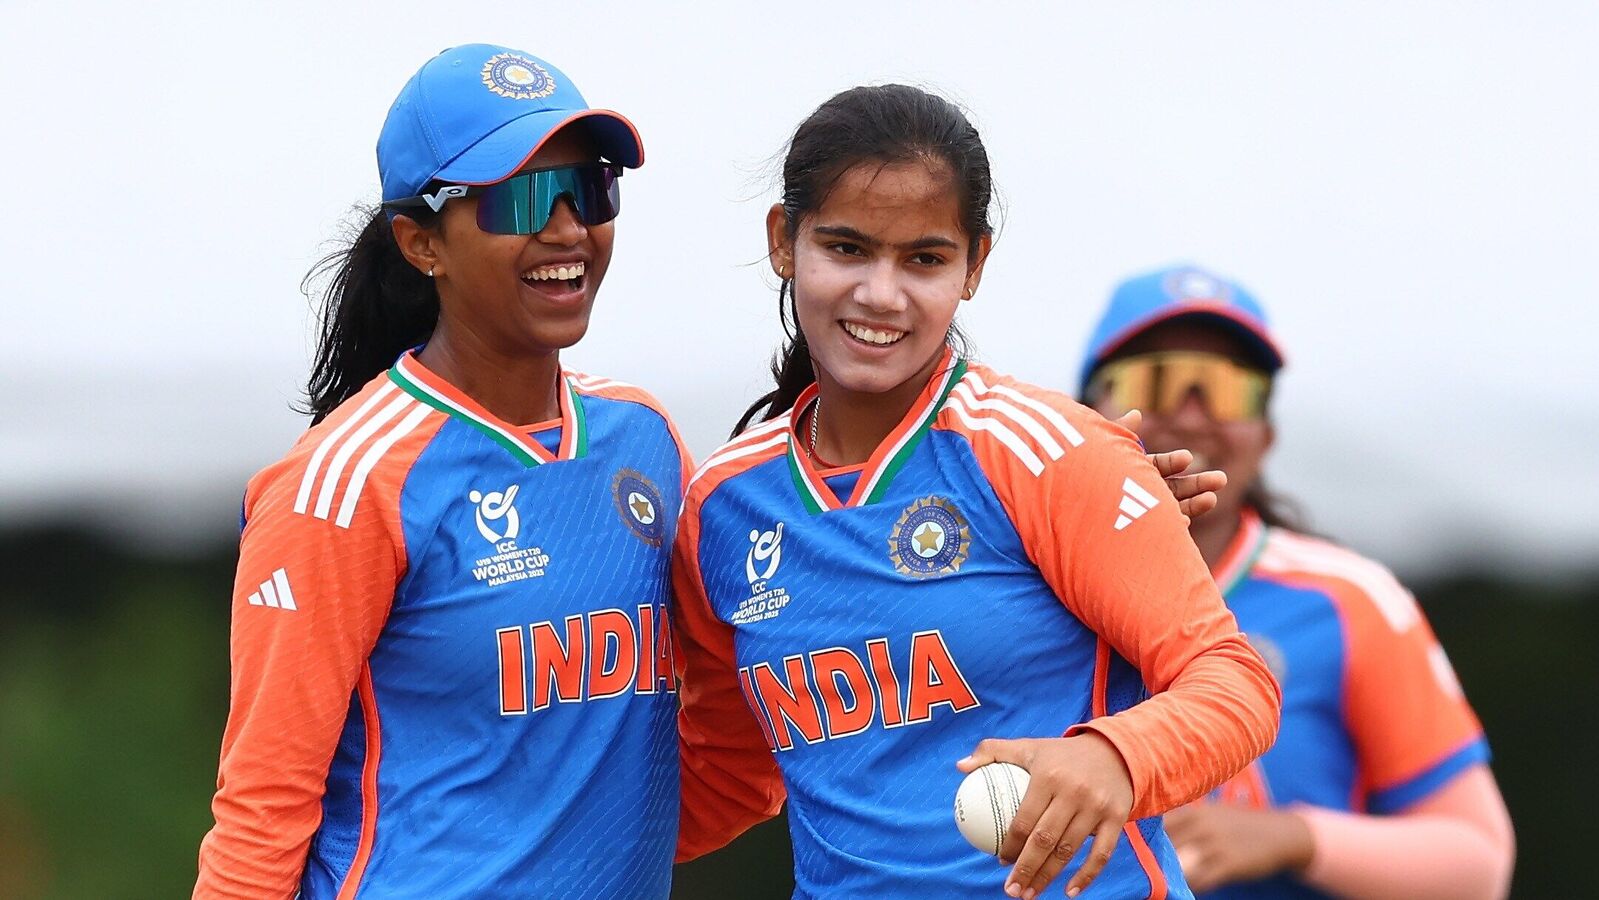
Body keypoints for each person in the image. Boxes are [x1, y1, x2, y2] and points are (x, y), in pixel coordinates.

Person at [671, 85, 1282, 900]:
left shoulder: (1044, 451)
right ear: (784, 241)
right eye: (846, 249)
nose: (881, 295)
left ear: (974, 266)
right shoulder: (721, 503)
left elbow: (1233, 682)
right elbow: (726, 770)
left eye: (923, 259)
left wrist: (1113, 756)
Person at [192, 44, 690, 898]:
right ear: (422, 243)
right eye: (524, 197)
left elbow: (735, 711)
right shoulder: (343, 484)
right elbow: (260, 813)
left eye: (590, 188)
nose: (568, 228)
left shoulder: (644, 438)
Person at [1079, 265, 1515, 899]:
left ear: (1267, 436)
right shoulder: (1013, 589)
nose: (1194, 417)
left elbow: (1478, 867)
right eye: (1160, 380)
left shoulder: (1348, 600)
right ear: (1083, 415)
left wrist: (1291, 838)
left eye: (1229, 389)